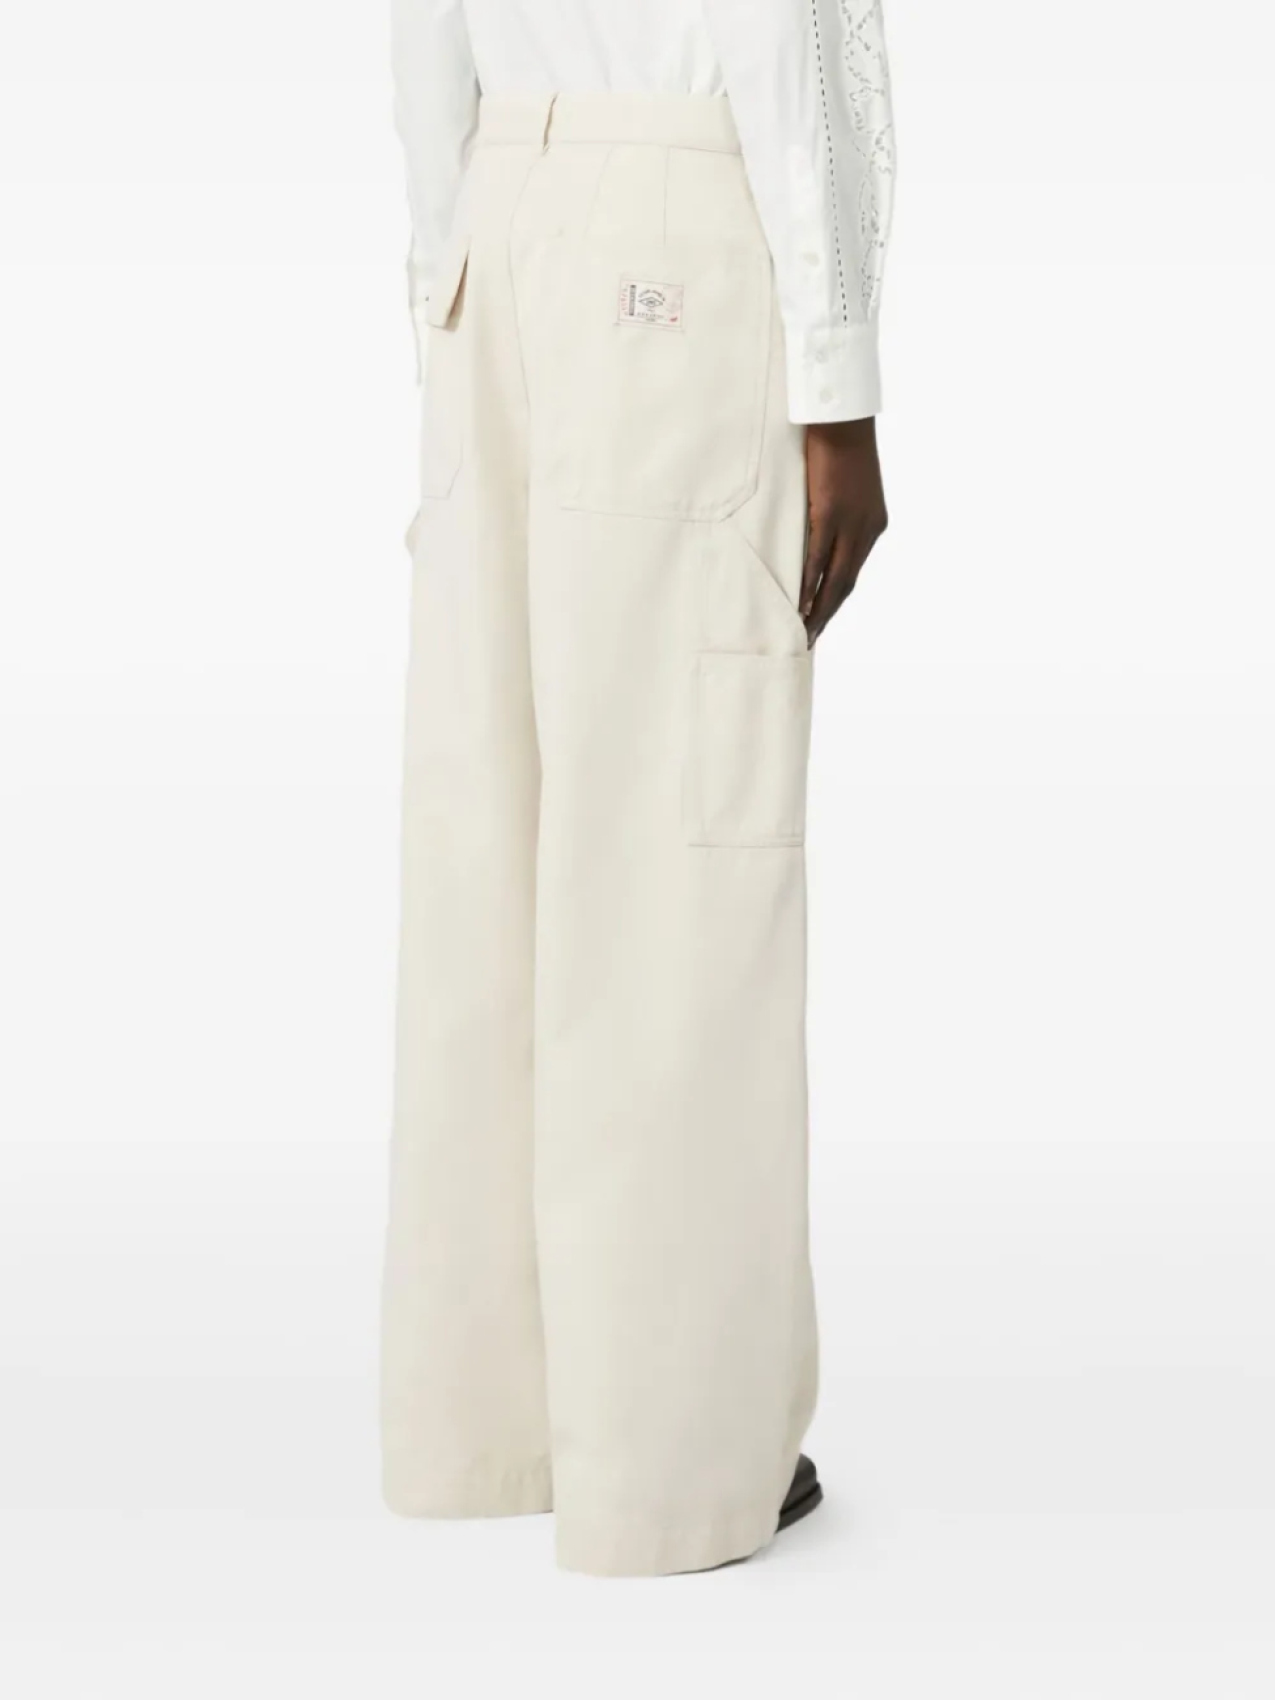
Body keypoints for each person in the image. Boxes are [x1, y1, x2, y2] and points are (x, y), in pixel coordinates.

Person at [381, 0, 895, 1577]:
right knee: (671, 862)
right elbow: (788, 29)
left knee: (491, 834)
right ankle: (670, 1466)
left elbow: (424, 38)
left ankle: (489, 1426)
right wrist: (837, 379)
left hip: (499, 220)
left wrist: (448, 272)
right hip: (676, 213)